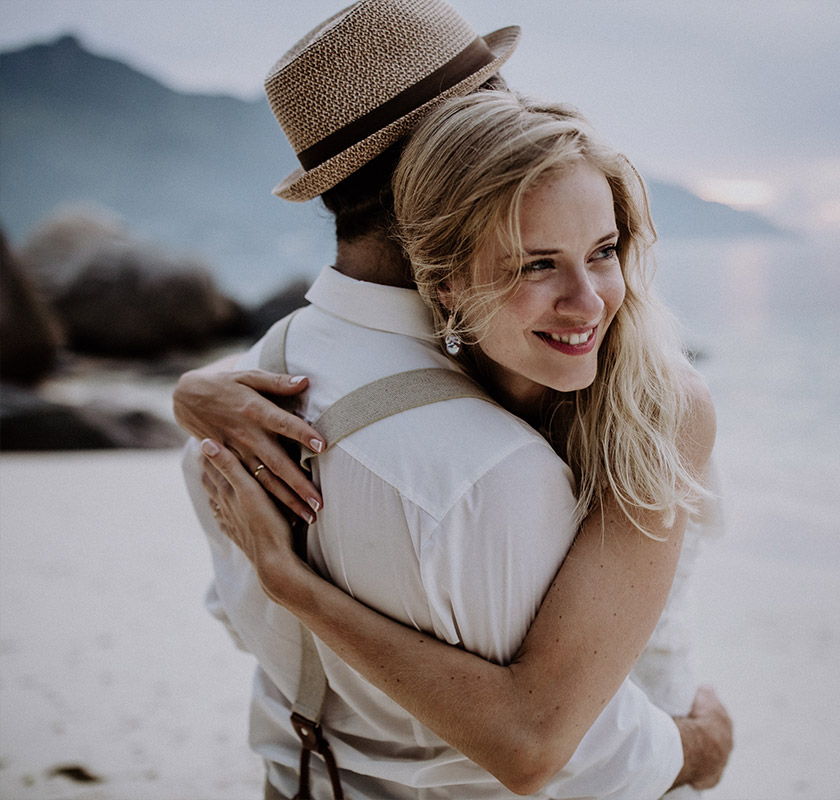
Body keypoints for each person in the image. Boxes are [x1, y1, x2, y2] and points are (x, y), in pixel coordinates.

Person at [177, 2, 731, 798]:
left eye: (603, 251)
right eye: (496, 103)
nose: (517, 123)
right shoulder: (485, 472)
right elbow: (549, 747)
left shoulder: (259, 380)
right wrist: (693, 751)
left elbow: (241, 622)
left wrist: (189, 402)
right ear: (440, 165)